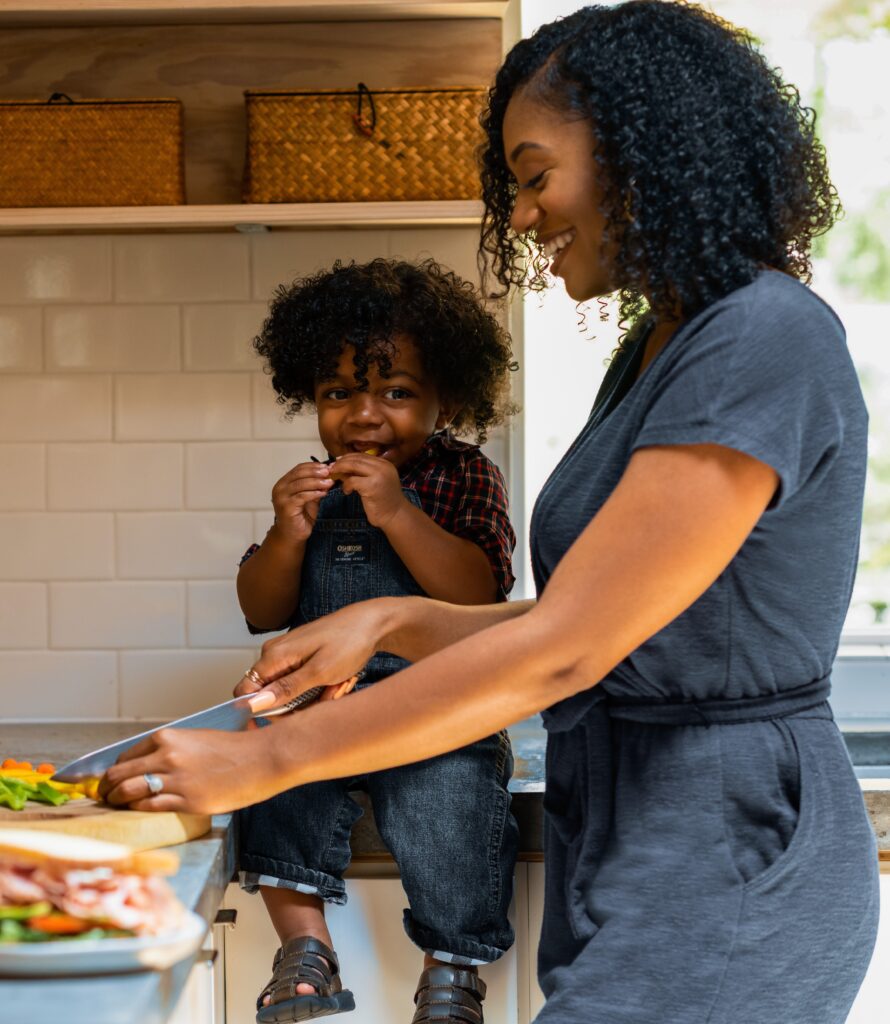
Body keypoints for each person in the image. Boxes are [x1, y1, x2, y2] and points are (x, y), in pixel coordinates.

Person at [100, 4, 880, 1023]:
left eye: (533, 173)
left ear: (637, 153)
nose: (518, 214)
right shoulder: (659, 349)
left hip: (732, 844)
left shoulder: (760, 338)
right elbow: (623, 620)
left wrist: (262, 759)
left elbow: (569, 649)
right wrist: (391, 619)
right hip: (638, 834)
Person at [234, 257, 520, 1023]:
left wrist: (398, 514)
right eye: (338, 394)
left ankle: (451, 974)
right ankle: (305, 951)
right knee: (270, 777)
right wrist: (286, 536)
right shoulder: (313, 487)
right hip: (327, 706)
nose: (364, 415)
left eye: (396, 391)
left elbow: (480, 592)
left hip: (439, 712)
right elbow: (262, 608)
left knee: (448, 803)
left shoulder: (466, 477)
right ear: (311, 399)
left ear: (446, 397)